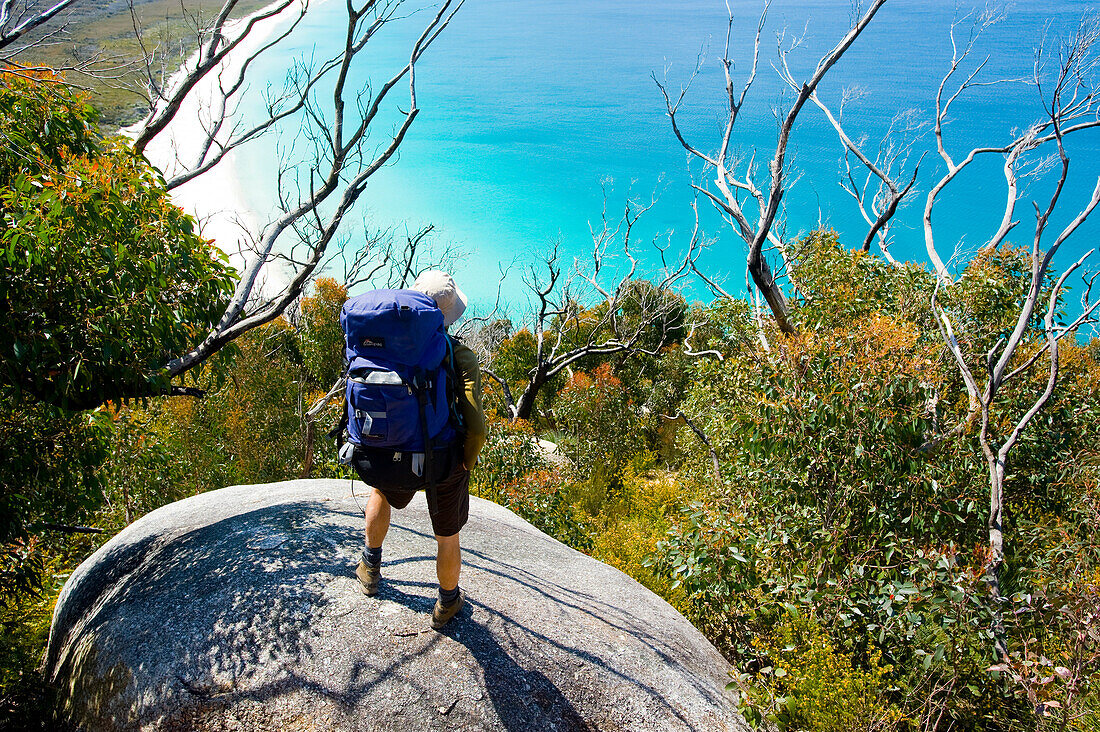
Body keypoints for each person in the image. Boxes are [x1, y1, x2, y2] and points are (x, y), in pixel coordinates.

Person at [354, 270, 486, 629]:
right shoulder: (459, 353)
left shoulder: (380, 345)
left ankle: (370, 567)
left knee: (381, 489)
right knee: (447, 533)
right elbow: (476, 426)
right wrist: (465, 462)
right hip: (442, 457)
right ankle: (446, 603)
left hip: (389, 448)